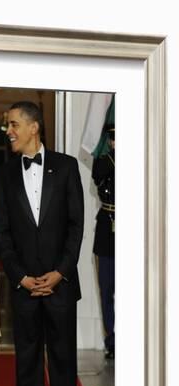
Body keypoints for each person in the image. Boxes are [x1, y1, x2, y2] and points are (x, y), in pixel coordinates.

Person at [0, 101, 84, 386]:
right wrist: (21, 277)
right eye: (7, 124)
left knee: (63, 365)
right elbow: (2, 232)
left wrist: (60, 273)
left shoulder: (66, 167)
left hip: (60, 287)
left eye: (13, 124)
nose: (9, 131)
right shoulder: (4, 174)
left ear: (34, 127)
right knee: (27, 366)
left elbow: (76, 226)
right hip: (25, 290)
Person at [92, 124, 115, 360]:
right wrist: (115, 155)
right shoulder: (104, 161)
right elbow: (98, 174)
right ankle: (112, 340)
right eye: (113, 138)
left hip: (132, 229)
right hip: (107, 229)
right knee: (106, 288)